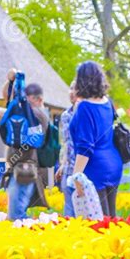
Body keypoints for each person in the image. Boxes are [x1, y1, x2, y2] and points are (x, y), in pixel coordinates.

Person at [0, 68, 49, 220]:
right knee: (16, 213)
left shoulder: (36, 115)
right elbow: (6, 107)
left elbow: (2, 114)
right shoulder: (26, 113)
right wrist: (10, 81)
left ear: (33, 98)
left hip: (25, 171)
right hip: (19, 171)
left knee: (16, 215)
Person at [69, 61, 122, 217]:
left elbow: (85, 147)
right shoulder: (108, 103)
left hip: (95, 168)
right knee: (110, 218)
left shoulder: (85, 107)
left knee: (98, 222)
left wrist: (76, 177)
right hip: (113, 164)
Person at [55, 81, 77, 217]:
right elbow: (67, 143)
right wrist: (63, 164)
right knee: (69, 211)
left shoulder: (87, 113)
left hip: (85, 170)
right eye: (71, 88)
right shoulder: (65, 115)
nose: (72, 92)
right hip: (69, 168)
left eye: (76, 89)